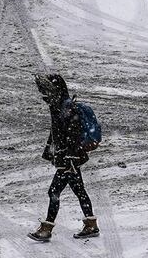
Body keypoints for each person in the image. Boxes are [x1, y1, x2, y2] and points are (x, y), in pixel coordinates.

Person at [28, 74, 98, 242]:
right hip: (67, 158)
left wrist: (70, 157)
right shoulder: (58, 105)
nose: (45, 94)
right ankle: (91, 224)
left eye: (47, 91)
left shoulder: (65, 108)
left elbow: (71, 135)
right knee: (79, 191)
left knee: (54, 192)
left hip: (68, 159)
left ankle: (46, 229)